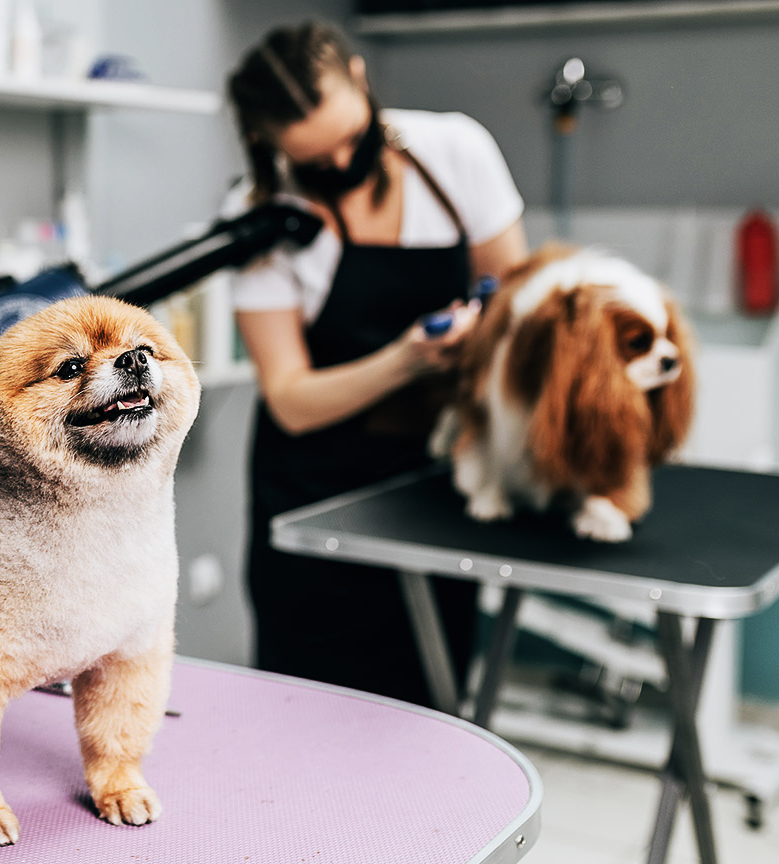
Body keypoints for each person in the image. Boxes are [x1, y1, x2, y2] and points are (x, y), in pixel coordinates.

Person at [224, 21, 528, 708]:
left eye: (349, 138)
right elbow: (292, 401)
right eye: (313, 157)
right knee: (308, 712)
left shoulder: (456, 152)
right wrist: (406, 359)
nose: (337, 164)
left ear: (361, 81)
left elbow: (512, 291)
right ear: (269, 144)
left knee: (431, 701)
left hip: (430, 480)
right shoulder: (261, 217)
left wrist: (482, 326)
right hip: (309, 495)